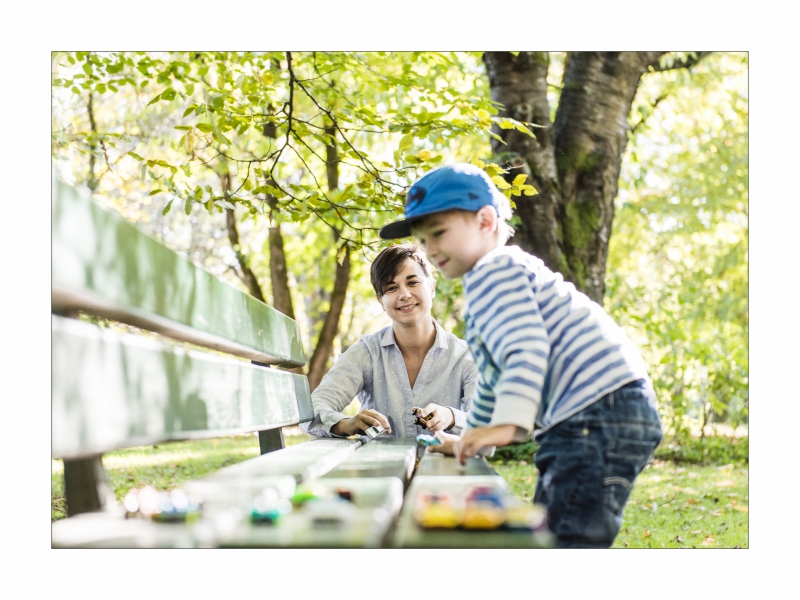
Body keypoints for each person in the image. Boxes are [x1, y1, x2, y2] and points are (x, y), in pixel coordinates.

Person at [379, 163, 663, 548]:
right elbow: (494, 375)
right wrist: (468, 434)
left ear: (485, 220)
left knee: (567, 537)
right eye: (424, 239)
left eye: (439, 233)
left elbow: (524, 351)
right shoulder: (491, 280)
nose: (430, 249)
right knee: (557, 522)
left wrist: (508, 426)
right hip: (599, 413)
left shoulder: (495, 270)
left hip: (596, 413)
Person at [301, 244, 477, 439]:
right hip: (380, 467)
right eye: (391, 288)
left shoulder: (465, 356)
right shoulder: (366, 352)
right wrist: (346, 424)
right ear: (380, 301)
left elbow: (487, 426)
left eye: (412, 282)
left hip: (442, 467)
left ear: (432, 287)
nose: (404, 294)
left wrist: (451, 416)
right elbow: (314, 407)